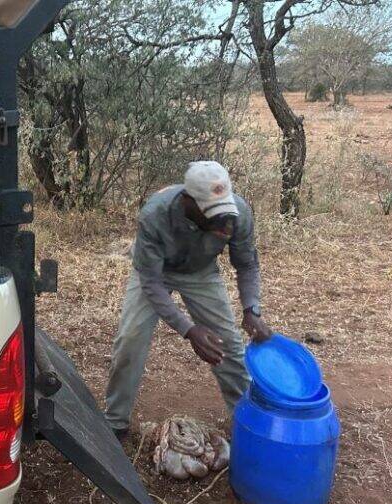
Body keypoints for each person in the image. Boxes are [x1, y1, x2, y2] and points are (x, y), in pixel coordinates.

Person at [105, 161, 272, 439]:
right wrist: (189, 330)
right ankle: (115, 421)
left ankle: (248, 419)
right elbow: (151, 282)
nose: (222, 222)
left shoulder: (238, 213)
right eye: (212, 214)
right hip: (155, 272)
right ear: (188, 202)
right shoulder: (155, 214)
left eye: (224, 212)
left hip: (200, 272)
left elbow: (247, 265)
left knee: (228, 344)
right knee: (130, 340)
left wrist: (251, 308)